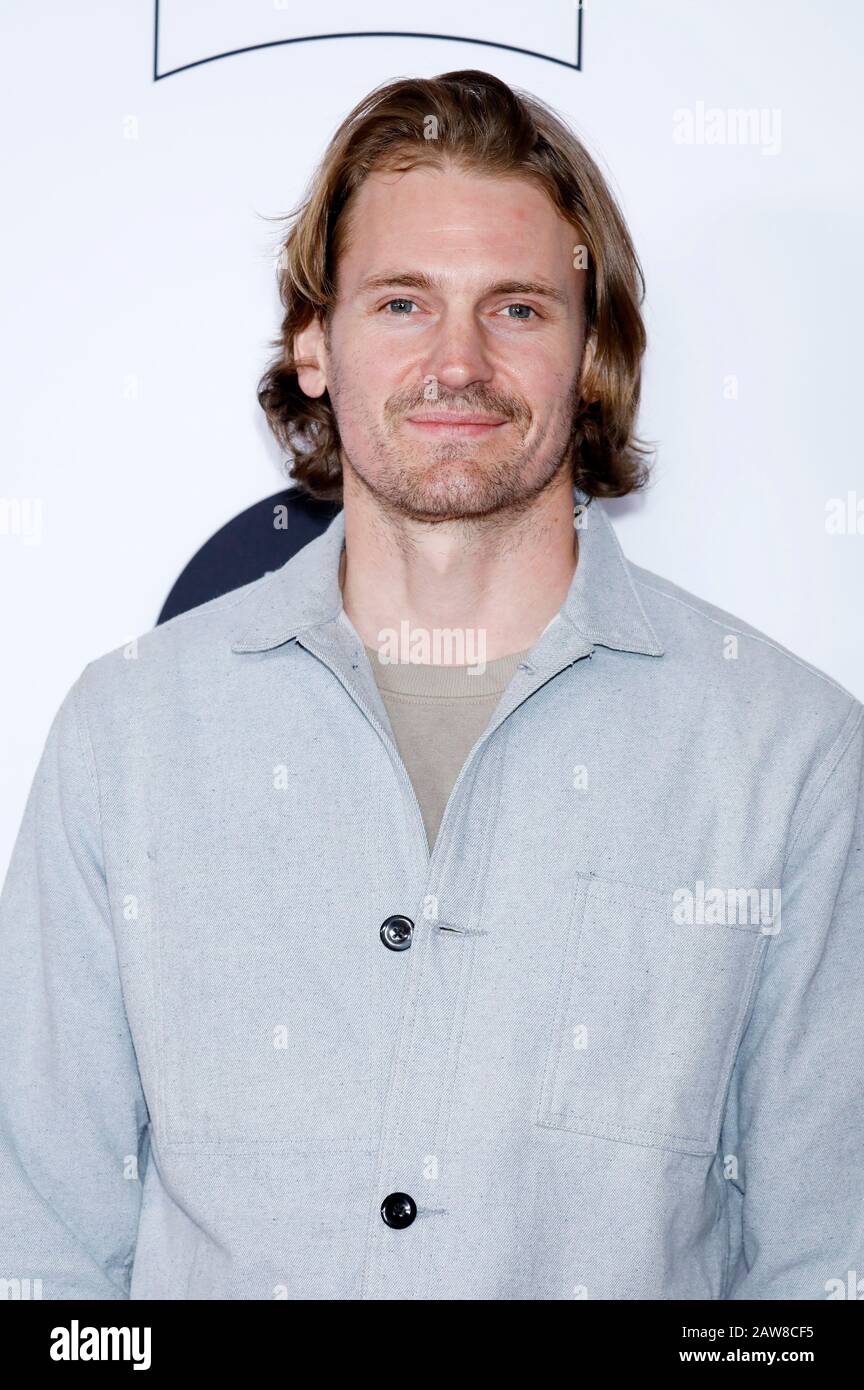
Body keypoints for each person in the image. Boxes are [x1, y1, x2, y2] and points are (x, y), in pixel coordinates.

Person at [1, 69, 861, 1301]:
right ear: (315, 342)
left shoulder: (792, 757)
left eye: (516, 308)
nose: (457, 362)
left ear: (593, 351)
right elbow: (36, 1259)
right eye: (402, 302)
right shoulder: (127, 734)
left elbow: (824, 1280)